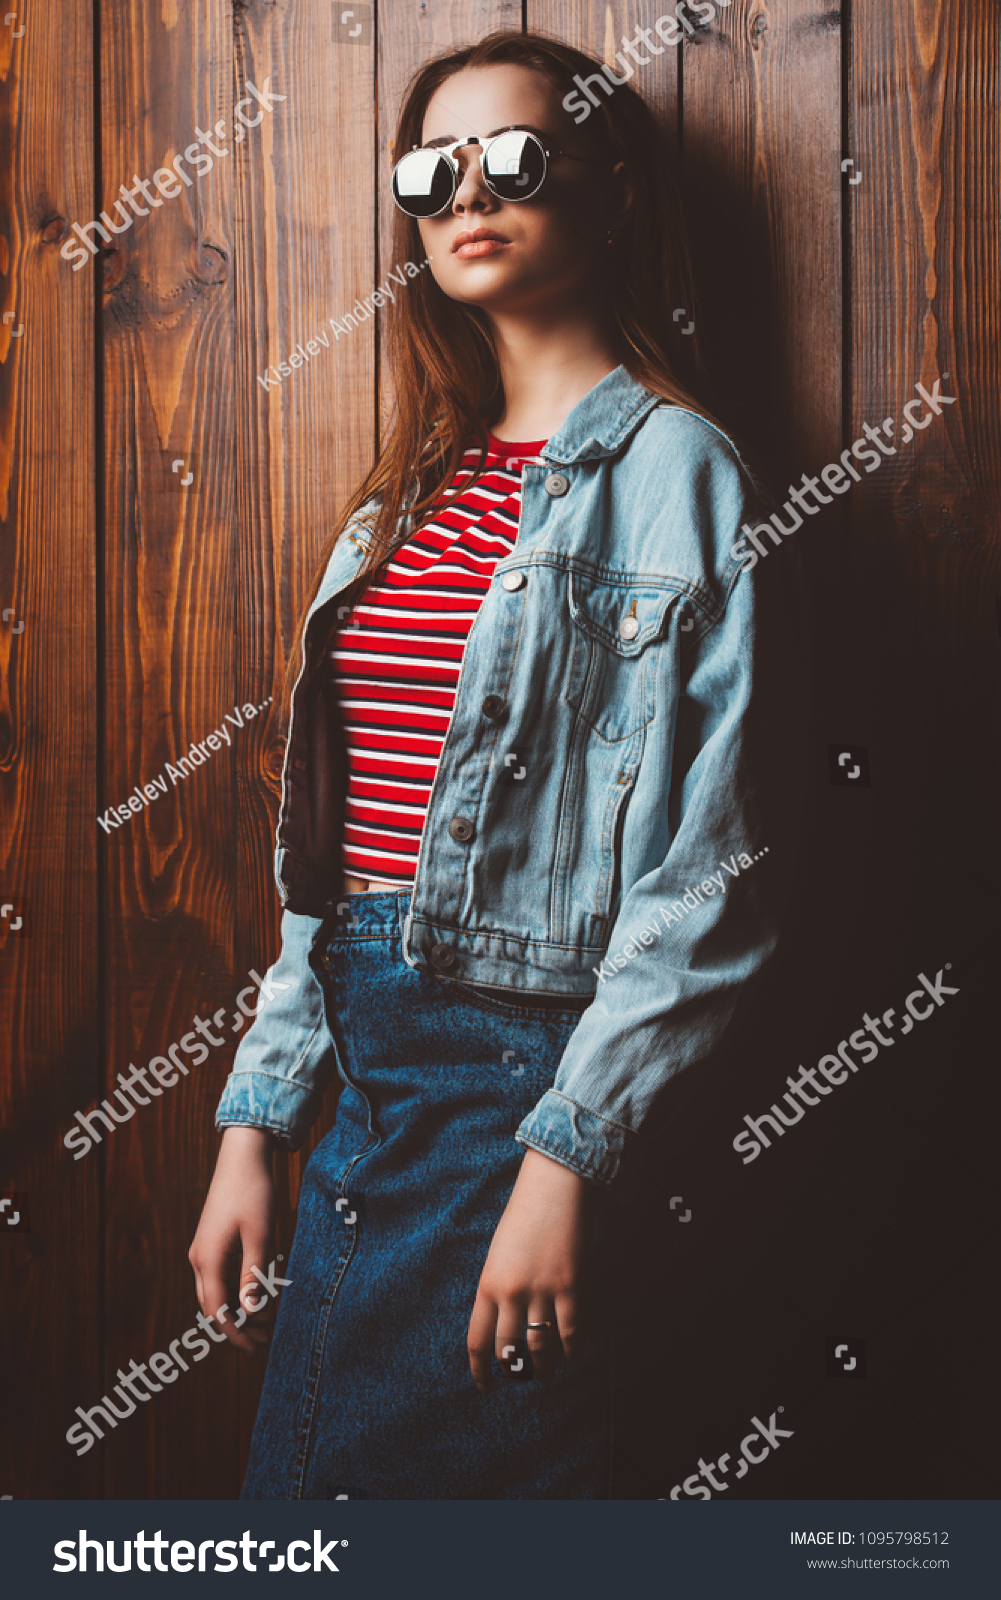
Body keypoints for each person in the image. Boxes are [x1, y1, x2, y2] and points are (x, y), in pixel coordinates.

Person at [188, 29, 807, 1500]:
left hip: (527, 1084)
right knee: (309, 1503)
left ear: (608, 190)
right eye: (431, 168)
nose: (469, 191)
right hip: (370, 1092)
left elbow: (708, 875)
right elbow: (332, 862)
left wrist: (564, 1157)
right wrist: (256, 1120)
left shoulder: (677, 472)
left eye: (515, 157)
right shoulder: (398, 501)